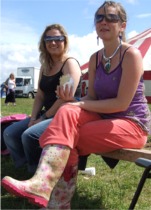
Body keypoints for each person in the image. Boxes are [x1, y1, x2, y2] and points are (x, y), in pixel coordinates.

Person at [2, 1, 151, 209]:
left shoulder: (131, 55)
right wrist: (73, 102)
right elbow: (92, 97)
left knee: (66, 137)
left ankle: (57, 199)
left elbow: (121, 103)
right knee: (67, 111)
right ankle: (43, 184)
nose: (103, 21)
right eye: (99, 18)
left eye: (111, 17)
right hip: (104, 119)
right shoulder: (95, 58)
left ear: (122, 25)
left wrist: (79, 105)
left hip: (131, 123)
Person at [3, 24, 81, 174]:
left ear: (65, 41)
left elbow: (64, 99)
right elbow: (40, 95)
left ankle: (37, 175)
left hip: (65, 115)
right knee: (9, 133)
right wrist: (33, 117)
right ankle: (27, 166)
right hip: (47, 113)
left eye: (57, 38)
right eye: (48, 39)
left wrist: (43, 117)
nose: (53, 42)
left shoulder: (69, 63)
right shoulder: (46, 66)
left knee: (29, 135)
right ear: (43, 43)